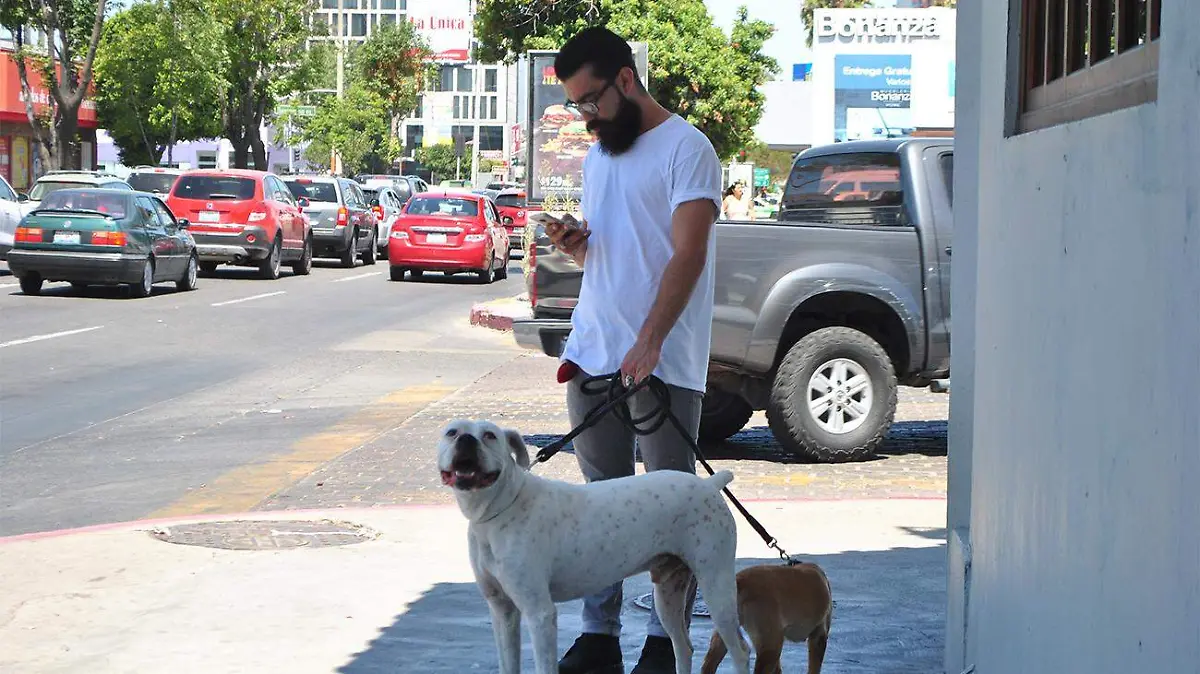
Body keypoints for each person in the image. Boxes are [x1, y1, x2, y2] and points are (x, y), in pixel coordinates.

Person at [542, 26, 723, 674]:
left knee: (670, 512)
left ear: (626, 80)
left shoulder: (688, 149)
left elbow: (688, 253)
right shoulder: (598, 158)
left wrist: (649, 342)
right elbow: (612, 256)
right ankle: (598, 639)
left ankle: (663, 647)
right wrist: (577, 245)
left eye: (591, 100)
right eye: (576, 106)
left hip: (663, 362)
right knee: (599, 510)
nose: (586, 116)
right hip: (593, 353)